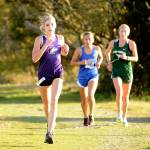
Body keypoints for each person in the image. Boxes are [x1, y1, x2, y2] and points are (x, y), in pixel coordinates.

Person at [32, 14, 69, 144]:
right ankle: (51, 125)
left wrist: (66, 50)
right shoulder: (39, 39)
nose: (50, 27)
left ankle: (50, 132)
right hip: (43, 76)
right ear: (43, 27)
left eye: (52, 24)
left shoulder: (60, 38)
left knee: (54, 101)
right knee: (47, 104)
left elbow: (63, 53)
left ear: (55, 25)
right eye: (47, 25)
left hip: (57, 72)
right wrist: (45, 45)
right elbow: (35, 59)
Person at [105, 24, 138, 126]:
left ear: (128, 33)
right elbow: (107, 53)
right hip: (116, 71)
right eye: (121, 31)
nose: (123, 33)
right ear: (118, 32)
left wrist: (126, 57)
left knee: (125, 96)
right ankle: (118, 114)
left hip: (127, 72)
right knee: (119, 92)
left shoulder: (131, 43)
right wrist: (109, 63)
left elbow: (136, 58)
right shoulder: (113, 43)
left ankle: (124, 117)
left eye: (125, 31)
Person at [70, 32, 103, 126]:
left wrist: (99, 63)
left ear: (93, 39)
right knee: (84, 99)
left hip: (93, 75)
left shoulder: (97, 48)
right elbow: (72, 62)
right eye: (86, 39)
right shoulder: (79, 50)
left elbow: (101, 57)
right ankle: (85, 117)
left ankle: (91, 116)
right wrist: (82, 62)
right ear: (83, 40)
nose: (88, 41)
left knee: (90, 94)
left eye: (89, 39)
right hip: (82, 77)